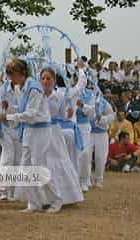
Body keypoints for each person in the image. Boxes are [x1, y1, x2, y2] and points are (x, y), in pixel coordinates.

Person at [0, 59, 62, 213]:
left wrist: (9, 117)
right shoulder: (21, 87)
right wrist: (10, 109)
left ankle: (56, 199)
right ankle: (34, 203)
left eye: (13, 75)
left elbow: (31, 113)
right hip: (29, 130)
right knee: (25, 168)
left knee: (39, 166)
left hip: (40, 130)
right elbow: (23, 109)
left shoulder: (34, 88)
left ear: (22, 74)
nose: (10, 79)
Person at [39, 67, 83, 205]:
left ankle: (65, 196)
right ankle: (44, 197)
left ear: (54, 80)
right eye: (43, 78)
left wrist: (68, 113)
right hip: (41, 132)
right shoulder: (36, 95)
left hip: (55, 131)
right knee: (43, 160)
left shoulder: (59, 96)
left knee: (58, 159)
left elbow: (63, 116)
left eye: (49, 78)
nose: (46, 81)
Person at [0, 77, 22, 201]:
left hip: (20, 128)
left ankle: (13, 189)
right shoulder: (2, 91)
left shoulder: (26, 89)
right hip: (5, 129)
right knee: (8, 157)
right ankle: (2, 188)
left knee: (18, 158)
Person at [89, 95, 115, 188]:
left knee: (100, 158)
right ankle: (86, 179)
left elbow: (112, 117)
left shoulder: (104, 103)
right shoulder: (85, 99)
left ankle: (99, 179)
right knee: (86, 157)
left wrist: (102, 119)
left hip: (102, 133)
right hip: (88, 132)